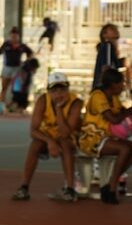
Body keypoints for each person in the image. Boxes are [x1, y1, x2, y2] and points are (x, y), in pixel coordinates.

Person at [12, 72, 82, 202]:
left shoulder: (76, 103)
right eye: (54, 90)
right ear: (49, 91)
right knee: (35, 145)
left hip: (69, 138)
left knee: (65, 144)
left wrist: (59, 109)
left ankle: (70, 189)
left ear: (68, 89)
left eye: (62, 89)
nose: (59, 93)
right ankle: (24, 187)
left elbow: (66, 132)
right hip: (49, 136)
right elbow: (33, 130)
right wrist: (50, 142)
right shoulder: (43, 100)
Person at [77, 69, 132, 204]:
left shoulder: (114, 97)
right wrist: (128, 111)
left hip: (107, 138)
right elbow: (114, 119)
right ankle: (112, 186)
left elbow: (120, 111)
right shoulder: (98, 96)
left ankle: (110, 182)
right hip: (92, 139)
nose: (123, 86)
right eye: (121, 83)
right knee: (125, 149)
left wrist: (129, 112)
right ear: (113, 85)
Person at [0, 27, 34, 104]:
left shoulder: (22, 45)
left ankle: (15, 104)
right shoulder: (6, 44)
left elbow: (30, 53)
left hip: (17, 68)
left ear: (18, 36)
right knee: (4, 87)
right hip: (7, 67)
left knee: (16, 88)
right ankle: (1, 103)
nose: (14, 38)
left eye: (15, 36)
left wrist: (25, 61)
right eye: (12, 36)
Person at [91, 23, 122, 91]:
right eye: (111, 29)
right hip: (105, 88)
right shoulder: (108, 46)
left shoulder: (108, 48)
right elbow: (106, 67)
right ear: (104, 35)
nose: (115, 31)